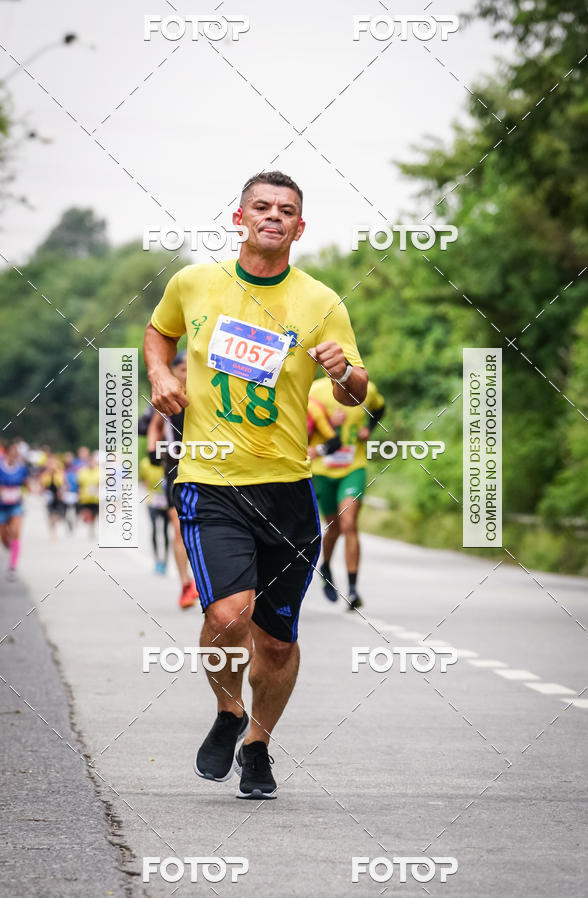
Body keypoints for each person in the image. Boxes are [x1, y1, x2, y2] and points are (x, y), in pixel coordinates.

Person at [144, 170, 368, 800]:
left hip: (288, 490)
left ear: (300, 227)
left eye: (286, 210)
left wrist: (344, 371)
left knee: (275, 642)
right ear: (239, 219)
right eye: (262, 206)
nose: (274, 215)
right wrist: (159, 373)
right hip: (210, 480)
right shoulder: (194, 283)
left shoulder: (321, 301)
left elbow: (355, 393)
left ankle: (259, 742)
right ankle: (228, 711)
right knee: (227, 612)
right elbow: (159, 332)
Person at [308, 377, 385, 610]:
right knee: (333, 527)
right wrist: (327, 424)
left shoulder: (366, 389)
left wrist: (368, 428)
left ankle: (352, 589)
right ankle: (326, 566)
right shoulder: (314, 390)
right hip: (322, 469)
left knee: (349, 523)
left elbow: (380, 409)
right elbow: (302, 424)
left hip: (353, 467)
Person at [146, 351, 199, 608]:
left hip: (206, 465)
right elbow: (155, 425)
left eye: (192, 369)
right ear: (174, 372)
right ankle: (186, 584)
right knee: (178, 529)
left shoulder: (206, 393)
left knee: (204, 526)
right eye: (183, 370)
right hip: (175, 467)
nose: (187, 375)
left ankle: (205, 580)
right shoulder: (170, 396)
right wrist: (152, 449)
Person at [0, 442, 29, 579]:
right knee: (4, 538)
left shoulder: (22, 469)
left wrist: (23, 492)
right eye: (11, 453)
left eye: (16, 453)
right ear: (6, 453)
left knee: (16, 533)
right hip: (1, 506)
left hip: (16, 505)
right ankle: (10, 546)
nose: (13, 455)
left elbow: (26, 484)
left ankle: (12, 567)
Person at [139, 454, 170, 574]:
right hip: (152, 500)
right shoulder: (146, 463)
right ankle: (157, 560)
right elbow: (144, 480)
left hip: (166, 501)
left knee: (165, 531)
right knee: (154, 529)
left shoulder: (168, 462)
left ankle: (165, 560)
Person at [39, 455, 66, 538]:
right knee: (50, 514)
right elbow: (42, 486)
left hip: (58, 496)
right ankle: (53, 531)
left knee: (59, 515)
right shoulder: (45, 474)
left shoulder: (60, 473)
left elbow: (64, 484)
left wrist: (62, 492)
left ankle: (56, 523)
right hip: (50, 496)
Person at [77, 453, 100, 535]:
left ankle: (92, 528)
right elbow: (79, 484)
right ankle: (86, 520)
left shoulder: (99, 471)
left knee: (94, 515)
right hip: (85, 497)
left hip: (95, 497)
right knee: (86, 512)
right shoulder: (82, 471)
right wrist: (79, 493)